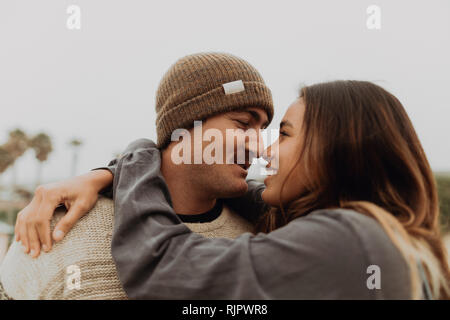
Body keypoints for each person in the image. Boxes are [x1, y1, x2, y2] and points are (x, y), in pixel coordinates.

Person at [12, 80, 450, 299]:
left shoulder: (346, 240)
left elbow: (166, 266)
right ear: (184, 133)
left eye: (281, 133)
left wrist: (137, 159)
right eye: (244, 126)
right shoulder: (388, 237)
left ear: (335, 147)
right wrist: (108, 175)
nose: (264, 150)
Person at [0, 52, 274, 299]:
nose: (259, 147)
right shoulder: (56, 228)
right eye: (243, 124)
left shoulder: (261, 236)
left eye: (262, 129)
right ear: (183, 128)